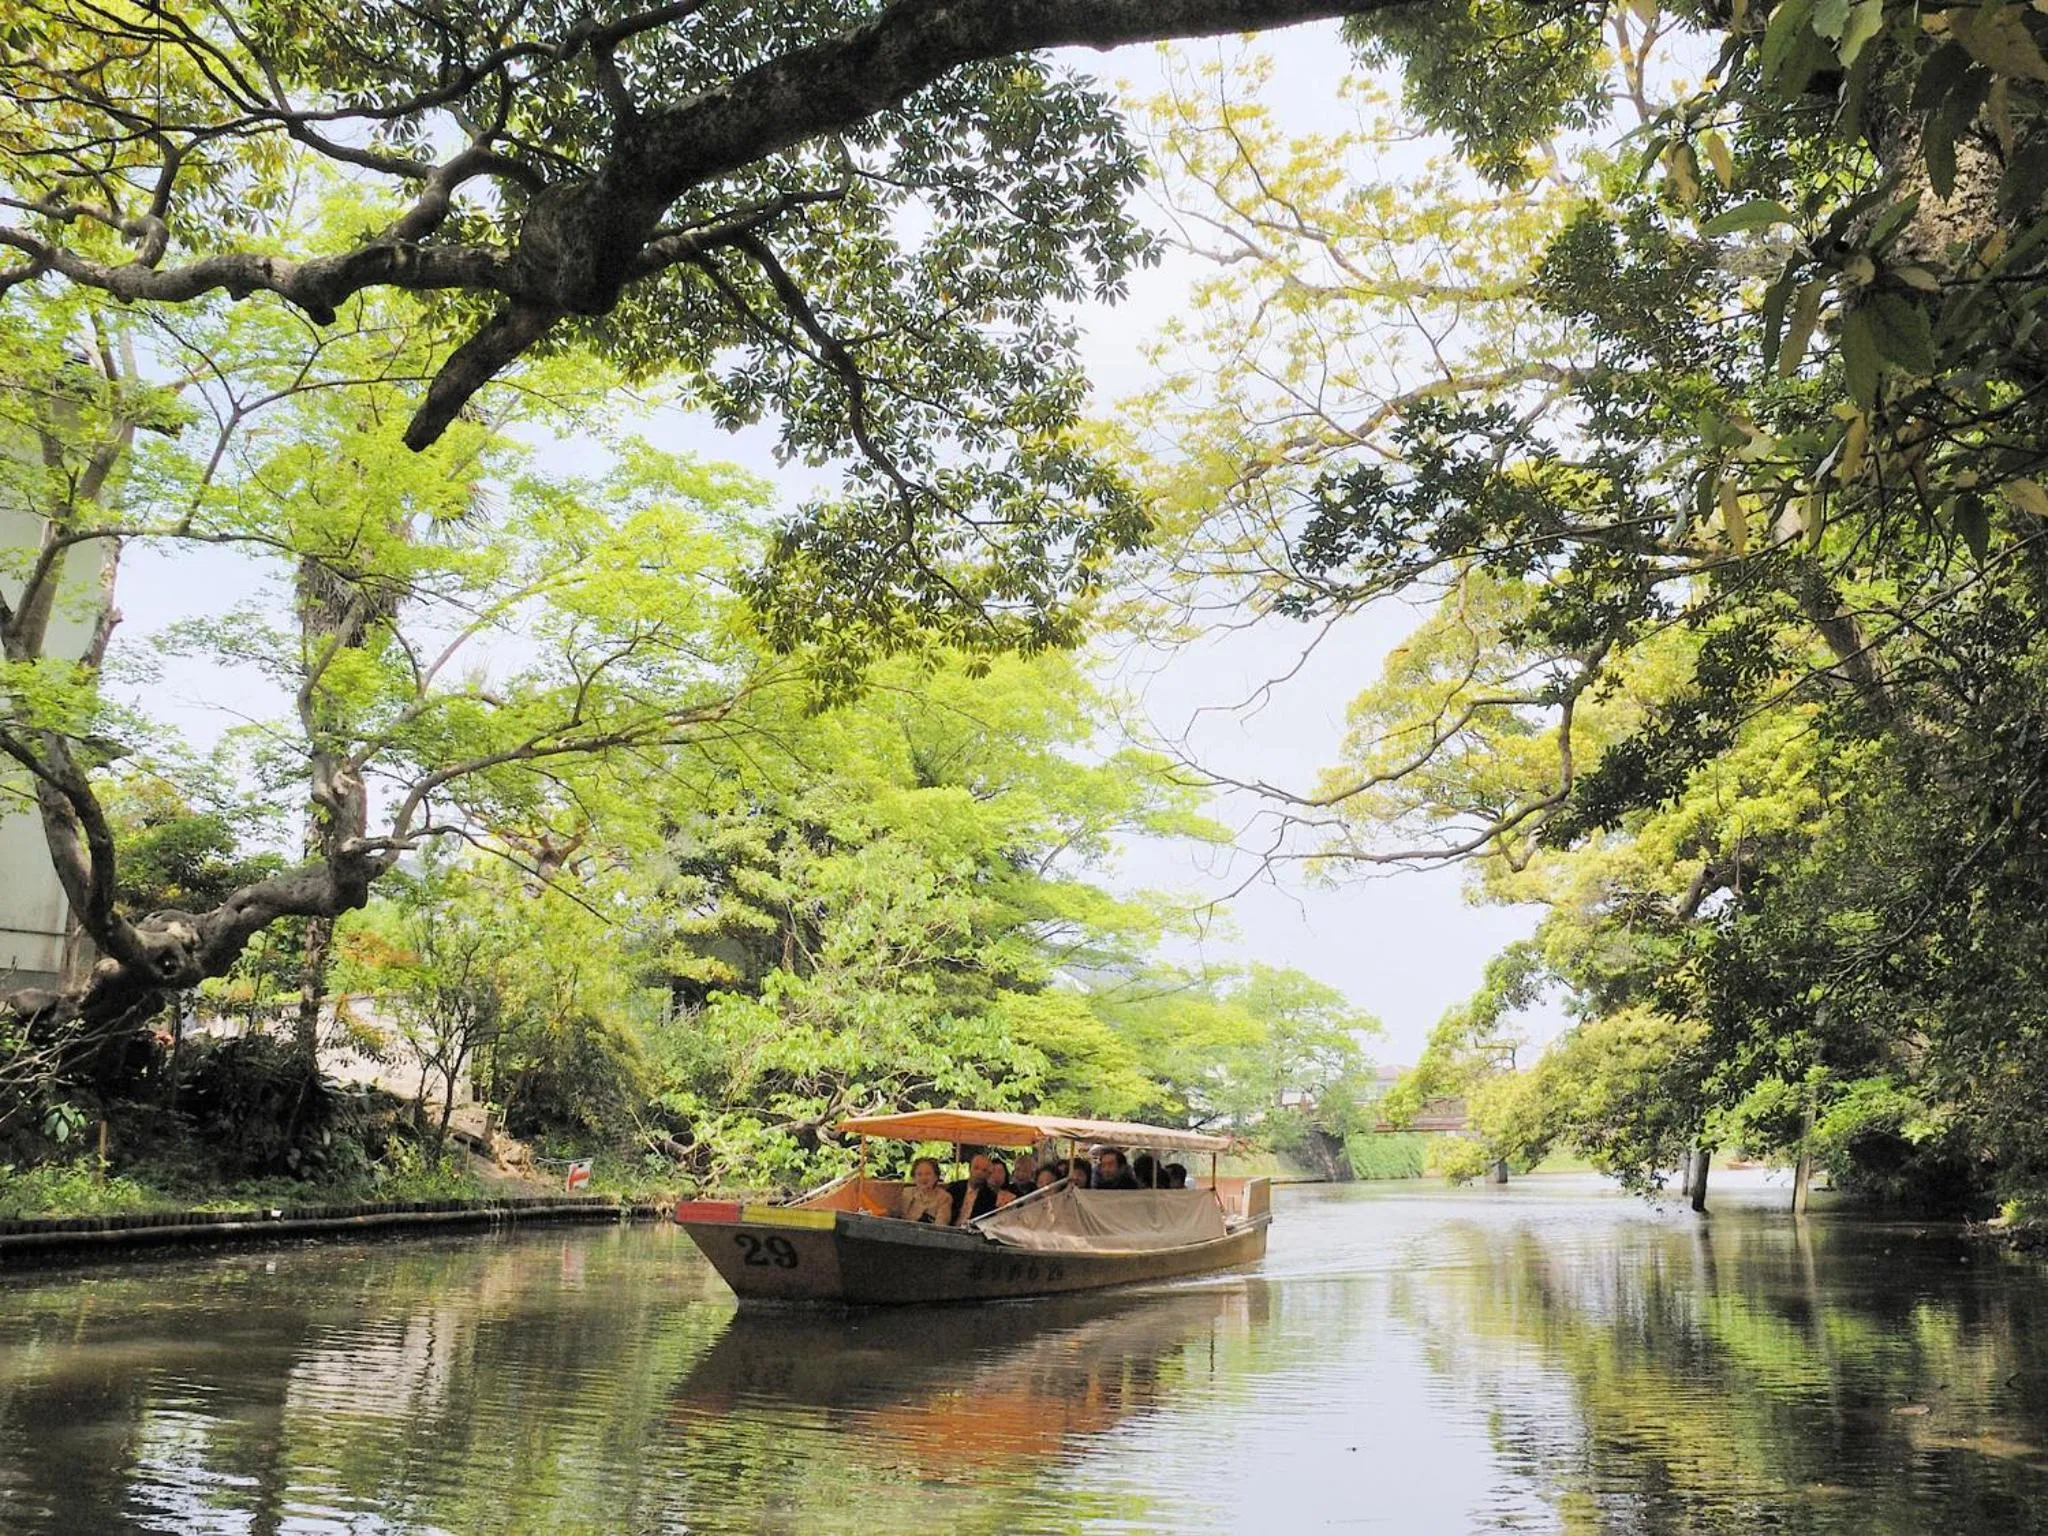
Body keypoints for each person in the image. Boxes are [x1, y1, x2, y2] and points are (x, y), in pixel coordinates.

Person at [954, 1157, 1017, 1224]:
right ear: (969, 1169)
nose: (979, 1173)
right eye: (976, 1168)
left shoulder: (990, 1197)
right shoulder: (955, 1187)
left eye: (984, 1170)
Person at [899, 1156, 954, 1225]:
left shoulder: (944, 1198)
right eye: (919, 1174)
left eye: (928, 1174)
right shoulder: (906, 1193)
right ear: (914, 1178)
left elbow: (941, 1226)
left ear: (936, 1177)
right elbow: (898, 1219)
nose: (923, 1178)